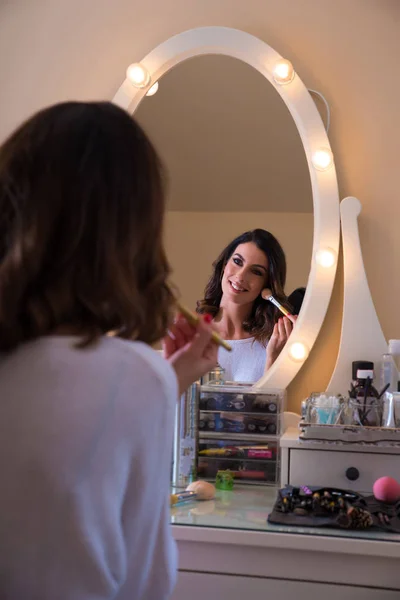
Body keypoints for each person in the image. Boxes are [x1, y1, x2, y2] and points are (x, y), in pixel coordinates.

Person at [0, 101, 217, 600]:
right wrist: (157, 384)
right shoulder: (136, 378)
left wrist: (166, 381)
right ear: (131, 236)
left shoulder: (141, 378)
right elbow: (144, 585)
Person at [197, 229, 296, 382]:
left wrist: (273, 359)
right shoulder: (193, 334)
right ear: (224, 264)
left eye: (256, 272)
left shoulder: (274, 344)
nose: (241, 276)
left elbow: (271, 404)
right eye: (237, 262)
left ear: (267, 285)